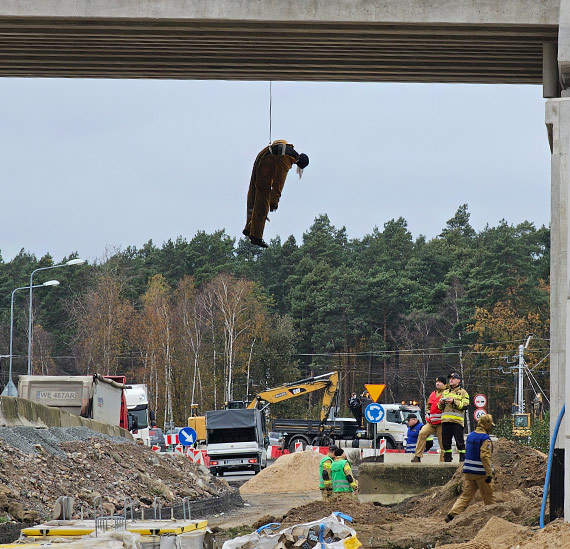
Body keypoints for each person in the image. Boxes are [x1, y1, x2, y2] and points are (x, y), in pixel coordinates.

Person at [243, 140, 309, 248]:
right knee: (263, 202)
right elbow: (279, 182)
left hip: (262, 157)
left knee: (253, 195)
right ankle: (256, 237)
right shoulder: (287, 160)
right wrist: (274, 201)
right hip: (266, 165)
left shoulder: (289, 149)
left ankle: (249, 228)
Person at [445, 414, 496, 522]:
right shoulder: (485, 439)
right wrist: (489, 473)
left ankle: (451, 515)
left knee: (466, 496)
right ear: (487, 425)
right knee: (488, 496)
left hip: (468, 472)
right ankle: (494, 518)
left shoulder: (471, 436)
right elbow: (484, 457)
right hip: (481, 473)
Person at [411, 376, 447, 463]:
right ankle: (417, 456)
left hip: (441, 423)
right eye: (436, 382)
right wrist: (428, 414)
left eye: (440, 382)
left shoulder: (447, 393)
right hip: (431, 422)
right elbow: (428, 406)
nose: (437, 383)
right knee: (422, 433)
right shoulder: (432, 394)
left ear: (445, 384)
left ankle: (443, 462)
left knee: (442, 443)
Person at [438, 372, 470, 462]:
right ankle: (447, 460)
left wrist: (453, 402)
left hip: (457, 421)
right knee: (446, 443)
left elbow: (465, 405)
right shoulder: (445, 392)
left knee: (459, 442)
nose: (451, 380)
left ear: (458, 380)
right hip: (445, 421)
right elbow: (440, 408)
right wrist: (440, 404)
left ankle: (463, 460)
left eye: (453, 378)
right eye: (450, 378)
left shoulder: (463, 393)